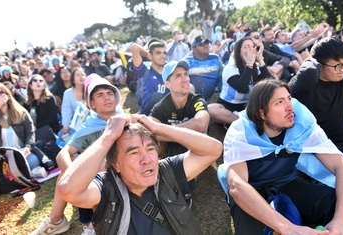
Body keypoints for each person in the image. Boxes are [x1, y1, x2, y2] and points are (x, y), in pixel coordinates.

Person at [223, 79, 343, 234]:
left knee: (332, 201)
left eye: (289, 98)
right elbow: (237, 186)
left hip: (288, 185)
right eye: (279, 102)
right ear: (261, 113)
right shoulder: (241, 132)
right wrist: (288, 228)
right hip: (252, 192)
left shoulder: (302, 122)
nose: (290, 107)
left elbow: (341, 166)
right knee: (248, 223)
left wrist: (342, 220)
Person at [56, 111, 223, 234]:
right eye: (134, 153)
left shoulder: (165, 172)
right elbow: (68, 189)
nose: (147, 159)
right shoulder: (107, 188)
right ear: (115, 164)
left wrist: (159, 128)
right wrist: (108, 136)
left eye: (150, 149)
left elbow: (213, 150)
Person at [31, 75, 123, 235]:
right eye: (100, 95)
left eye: (109, 93)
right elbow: (62, 155)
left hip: (122, 175)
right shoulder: (90, 125)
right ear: (92, 104)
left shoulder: (127, 120)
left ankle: (95, 227)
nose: (107, 98)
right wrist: (77, 174)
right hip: (97, 182)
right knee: (75, 161)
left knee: (101, 166)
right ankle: (55, 220)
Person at [289, 37, 343, 194]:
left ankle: (341, 185)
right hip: (313, 146)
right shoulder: (303, 84)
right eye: (337, 66)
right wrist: (310, 61)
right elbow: (309, 74)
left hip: (340, 141)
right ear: (319, 65)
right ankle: (339, 186)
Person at [0, 83, 41, 179]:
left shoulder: (20, 111)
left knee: (34, 161)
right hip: (1, 157)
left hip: (20, 153)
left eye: (1, 92)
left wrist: (27, 147)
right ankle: (16, 173)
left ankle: (10, 174)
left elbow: (30, 131)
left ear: (8, 95)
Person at [150, 60, 209, 157]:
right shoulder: (161, 106)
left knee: (204, 138)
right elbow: (150, 132)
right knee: (154, 143)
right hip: (170, 153)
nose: (185, 79)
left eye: (186, 74)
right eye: (178, 76)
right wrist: (188, 130)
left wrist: (166, 133)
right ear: (167, 84)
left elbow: (201, 124)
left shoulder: (197, 100)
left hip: (194, 153)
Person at [208, 37, 271, 127]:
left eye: (252, 47)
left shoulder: (256, 66)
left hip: (248, 106)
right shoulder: (230, 68)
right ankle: (244, 122)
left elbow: (269, 83)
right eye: (246, 47)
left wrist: (260, 60)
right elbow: (242, 88)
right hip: (229, 107)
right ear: (238, 52)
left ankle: (241, 122)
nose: (250, 50)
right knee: (211, 109)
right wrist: (249, 64)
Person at [131, 39, 169, 115]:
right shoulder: (144, 70)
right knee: (157, 96)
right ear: (150, 55)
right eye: (158, 53)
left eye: (164, 53)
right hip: (148, 114)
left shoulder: (169, 72)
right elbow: (135, 47)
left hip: (167, 114)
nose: (163, 56)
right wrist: (147, 54)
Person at [184, 35, 223, 101]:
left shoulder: (215, 58)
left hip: (212, 98)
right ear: (194, 49)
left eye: (207, 43)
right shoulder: (187, 61)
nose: (206, 46)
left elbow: (221, 80)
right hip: (191, 100)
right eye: (201, 44)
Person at [58, 67, 86, 141]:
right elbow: (66, 110)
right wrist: (66, 125)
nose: (81, 77)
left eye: (82, 75)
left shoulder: (89, 91)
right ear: (73, 80)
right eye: (78, 75)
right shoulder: (67, 93)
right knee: (61, 135)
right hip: (76, 124)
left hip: (90, 122)